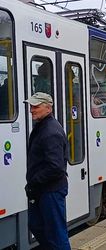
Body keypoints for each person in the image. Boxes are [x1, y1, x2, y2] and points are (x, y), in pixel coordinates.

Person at [24, 92, 70, 249]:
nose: (31, 110)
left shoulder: (51, 132)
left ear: (48, 108)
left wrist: (34, 182)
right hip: (41, 190)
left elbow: (55, 167)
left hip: (51, 190)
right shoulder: (42, 127)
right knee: (37, 226)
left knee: (56, 234)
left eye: (35, 106)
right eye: (31, 106)